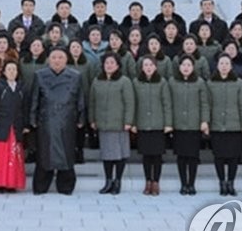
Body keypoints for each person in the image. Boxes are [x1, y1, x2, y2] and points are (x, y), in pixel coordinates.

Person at [29, 47, 85, 195]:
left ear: (66, 60)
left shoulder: (75, 76)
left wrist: (81, 118)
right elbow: (35, 98)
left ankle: (66, 186)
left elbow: (80, 99)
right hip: (46, 120)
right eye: (54, 58)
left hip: (67, 120)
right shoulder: (40, 75)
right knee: (44, 154)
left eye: (60, 58)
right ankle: (41, 186)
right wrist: (32, 118)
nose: (57, 61)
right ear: (49, 59)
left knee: (66, 153)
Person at [87, 52, 135, 195]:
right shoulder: (97, 81)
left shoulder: (124, 81)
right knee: (107, 155)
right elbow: (92, 102)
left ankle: (117, 181)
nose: (109, 65)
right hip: (103, 123)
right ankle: (108, 180)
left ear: (118, 65)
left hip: (119, 123)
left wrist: (128, 121)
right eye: (107, 63)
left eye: (112, 63)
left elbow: (129, 103)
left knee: (120, 154)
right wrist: (92, 119)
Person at [206, 55, 242, 196]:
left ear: (231, 66)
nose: (224, 66)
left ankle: (231, 182)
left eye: (227, 63)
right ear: (217, 66)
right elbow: (207, 105)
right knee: (218, 155)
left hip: (234, 125)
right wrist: (206, 122)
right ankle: (222, 182)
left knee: (233, 156)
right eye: (221, 63)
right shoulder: (211, 83)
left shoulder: (238, 83)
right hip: (217, 125)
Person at [0, 60, 29, 193]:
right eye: (9, 69)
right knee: (0, 156)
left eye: (14, 69)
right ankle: (0, 183)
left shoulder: (22, 88)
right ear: (4, 72)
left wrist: (25, 124)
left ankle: (12, 183)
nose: (11, 72)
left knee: (15, 155)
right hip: (1, 125)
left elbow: (25, 107)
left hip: (16, 125)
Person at [169, 54, 210, 195]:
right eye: (183, 65)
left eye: (189, 65)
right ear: (179, 67)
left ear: (193, 67)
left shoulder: (199, 82)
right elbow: (168, 104)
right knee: (181, 156)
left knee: (193, 156)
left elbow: (204, 103)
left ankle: (191, 184)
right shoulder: (172, 82)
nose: (186, 68)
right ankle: (183, 184)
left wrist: (204, 120)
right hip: (179, 124)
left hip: (194, 124)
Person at [132, 56, 173, 195]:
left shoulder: (162, 82)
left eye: (151, 65)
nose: (148, 67)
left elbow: (167, 104)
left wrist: (168, 123)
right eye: (146, 65)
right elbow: (134, 104)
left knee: (156, 156)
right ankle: (148, 181)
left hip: (158, 124)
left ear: (155, 67)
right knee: (146, 156)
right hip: (143, 123)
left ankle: (156, 182)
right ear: (142, 67)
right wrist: (133, 122)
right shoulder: (136, 82)